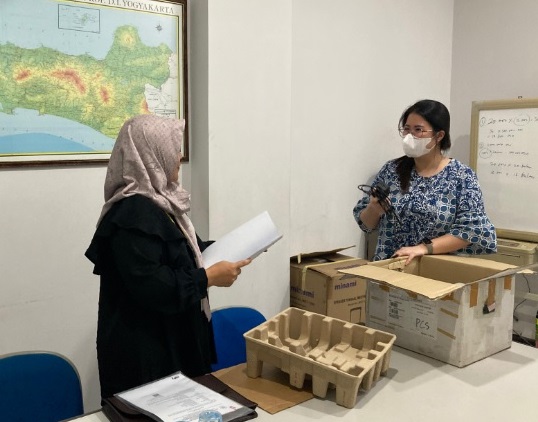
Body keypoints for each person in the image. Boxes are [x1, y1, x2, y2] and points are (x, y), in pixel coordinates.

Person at [85, 114, 251, 399]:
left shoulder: (161, 203)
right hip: (148, 356)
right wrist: (208, 278)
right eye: (174, 148)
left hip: (173, 342)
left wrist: (238, 247)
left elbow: (187, 253)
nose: (180, 157)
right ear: (151, 155)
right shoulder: (132, 214)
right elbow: (155, 286)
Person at [353, 99, 497, 264]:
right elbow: (366, 225)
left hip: (433, 270)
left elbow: (472, 230)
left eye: (418, 130)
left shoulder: (462, 176)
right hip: (389, 266)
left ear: (439, 135)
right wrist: (373, 208)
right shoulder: (391, 170)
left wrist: (424, 248)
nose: (410, 136)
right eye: (406, 129)